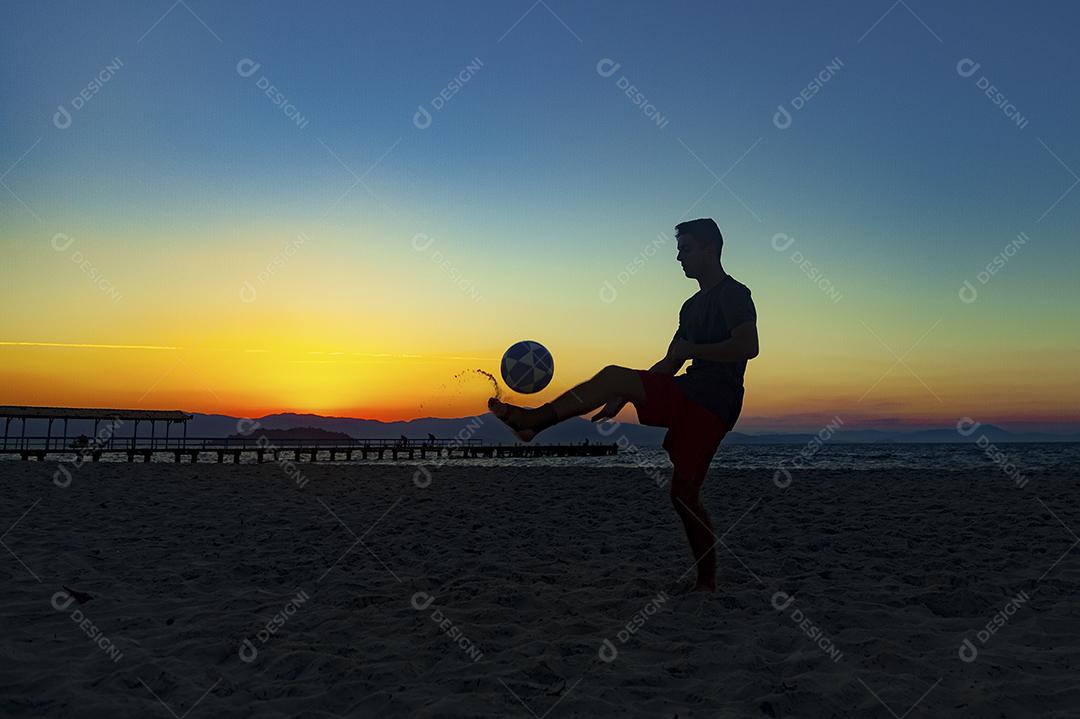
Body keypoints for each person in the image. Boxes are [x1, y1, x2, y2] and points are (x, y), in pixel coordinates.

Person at [489, 218, 758, 592]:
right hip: (688, 390)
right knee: (616, 378)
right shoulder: (690, 307)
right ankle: (533, 423)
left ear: (710, 250)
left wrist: (693, 350)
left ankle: (707, 580)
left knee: (684, 494)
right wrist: (626, 392)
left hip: (714, 403)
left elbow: (748, 346)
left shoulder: (734, 294)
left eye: (686, 249)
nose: (679, 257)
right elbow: (669, 364)